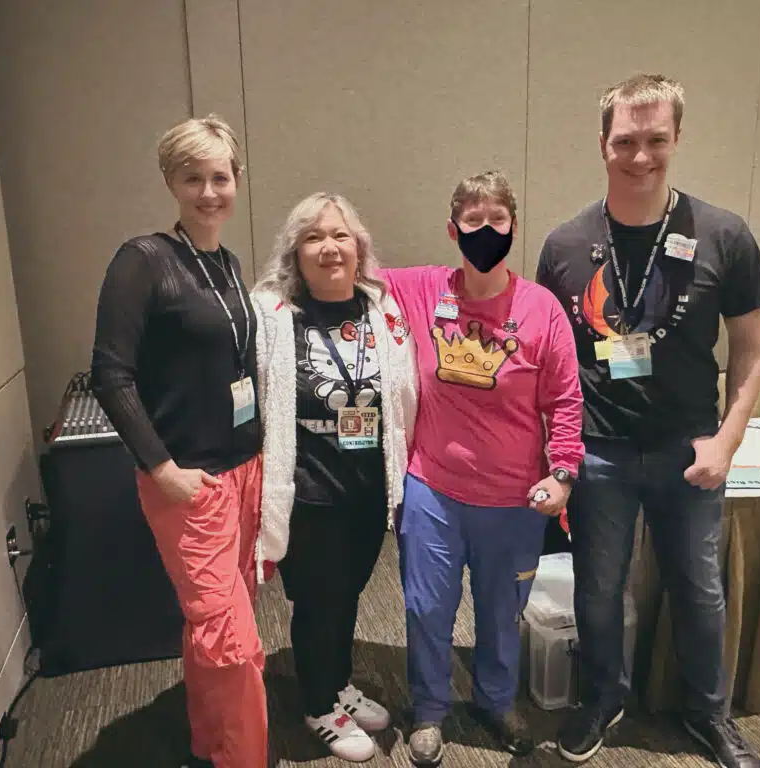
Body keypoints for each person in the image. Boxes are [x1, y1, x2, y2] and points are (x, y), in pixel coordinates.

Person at [536, 74, 760, 768]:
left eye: (656, 141)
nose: (640, 156)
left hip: (688, 449)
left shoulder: (723, 234)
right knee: (597, 588)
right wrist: (558, 457)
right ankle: (603, 699)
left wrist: (727, 442)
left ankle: (710, 716)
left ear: (676, 139)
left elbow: (755, 345)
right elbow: (552, 362)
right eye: (626, 141)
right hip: (600, 453)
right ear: (602, 143)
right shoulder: (566, 244)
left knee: (699, 590)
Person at [384, 171, 585, 765]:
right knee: (426, 608)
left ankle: (496, 703)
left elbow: (566, 401)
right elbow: (345, 274)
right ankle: (428, 709)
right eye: (473, 221)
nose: (486, 231)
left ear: (513, 228)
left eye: (497, 220)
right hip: (432, 489)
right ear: (453, 230)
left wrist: (564, 473)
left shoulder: (540, 309)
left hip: (512, 498)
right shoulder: (421, 289)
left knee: (502, 613)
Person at [91, 115, 267, 768]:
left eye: (220, 177)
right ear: (171, 180)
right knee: (233, 640)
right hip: (190, 481)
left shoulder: (224, 261)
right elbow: (111, 373)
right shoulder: (143, 260)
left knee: (213, 629)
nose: (209, 191)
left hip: (243, 471)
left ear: (236, 181)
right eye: (193, 178)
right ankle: (241, 757)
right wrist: (161, 469)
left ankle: (206, 744)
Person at [252, 193, 418, 762]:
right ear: (295, 253)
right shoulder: (271, 316)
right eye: (314, 237)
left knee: (347, 595)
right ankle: (319, 704)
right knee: (319, 600)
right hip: (308, 491)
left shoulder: (383, 310)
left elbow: (404, 396)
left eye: (340, 236)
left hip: (369, 489)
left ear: (360, 247)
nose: (330, 248)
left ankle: (339, 682)